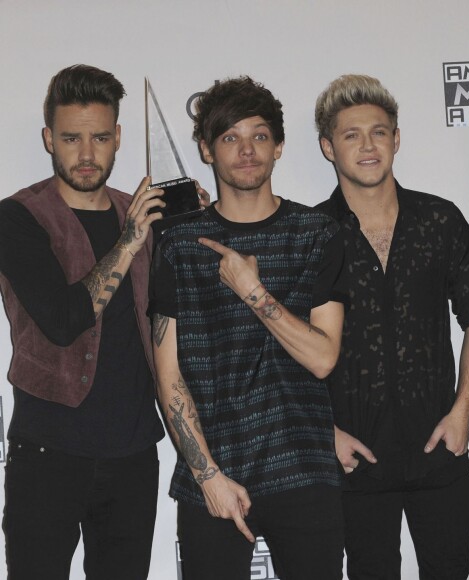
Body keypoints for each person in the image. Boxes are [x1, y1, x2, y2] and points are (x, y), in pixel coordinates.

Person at [149, 76, 347, 580]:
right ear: (206, 151)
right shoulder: (179, 244)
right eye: (230, 137)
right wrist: (208, 476)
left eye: (259, 136)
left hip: (303, 468)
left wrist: (253, 291)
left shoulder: (316, 234)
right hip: (212, 475)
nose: (246, 150)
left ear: (279, 147)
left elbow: (323, 357)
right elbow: (168, 376)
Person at [0, 64, 183, 579]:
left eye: (100, 137)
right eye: (71, 138)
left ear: (118, 137)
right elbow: (62, 321)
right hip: (48, 450)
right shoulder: (18, 217)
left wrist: (190, 224)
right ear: (47, 139)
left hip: (132, 453)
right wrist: (129, 241)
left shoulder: (146, 214)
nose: (86, 154)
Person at [315, 75, 469, 580]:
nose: (368, 146)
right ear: (328, 146)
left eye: (379, 132)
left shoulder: (439, 220)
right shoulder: (312, 234)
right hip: (354, 462)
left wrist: (463, 411)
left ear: (397, 138)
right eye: (351, 135)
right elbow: (288, 346)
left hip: (440, 451)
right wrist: (325, 432)